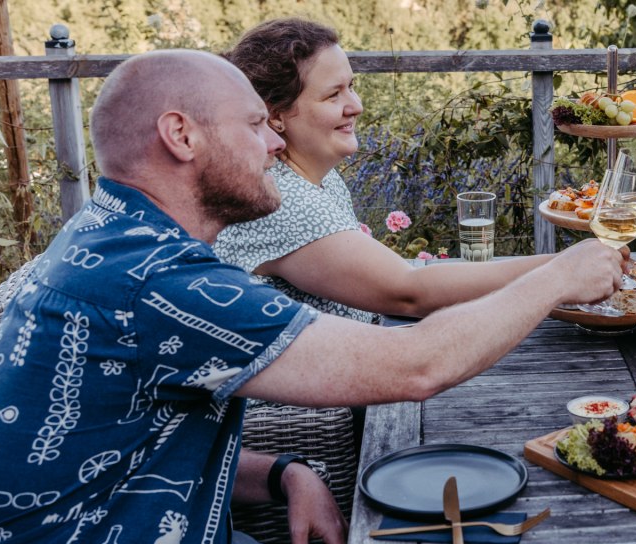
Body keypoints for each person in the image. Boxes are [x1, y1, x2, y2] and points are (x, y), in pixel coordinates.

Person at [0, 49, 624, 544]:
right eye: (255, 125)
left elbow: (119, 445)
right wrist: (560, 275)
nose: (276, 143)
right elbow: (416, 367)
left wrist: (284, 473)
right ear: (181, 135)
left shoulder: (121, 240)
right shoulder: (154, 279)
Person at [215, 18, 555, 323]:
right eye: (333, 95)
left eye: (352, 86)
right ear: (275, 115)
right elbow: (407, 292)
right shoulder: (280, 199)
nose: (356, 106)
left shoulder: (318, 177)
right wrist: (561, 271)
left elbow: (390, 284)